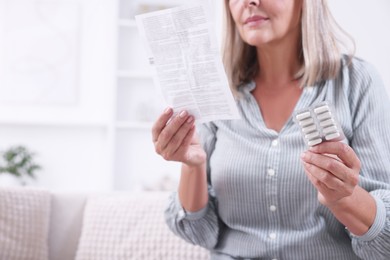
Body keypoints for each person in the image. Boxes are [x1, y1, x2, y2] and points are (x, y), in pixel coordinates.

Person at [152, 0, 390, 259]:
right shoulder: (219, 91)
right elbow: (199, 233)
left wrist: (343, 198)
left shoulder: (357, 83)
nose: (248, 2)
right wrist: (192, 165)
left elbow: (384, 240)